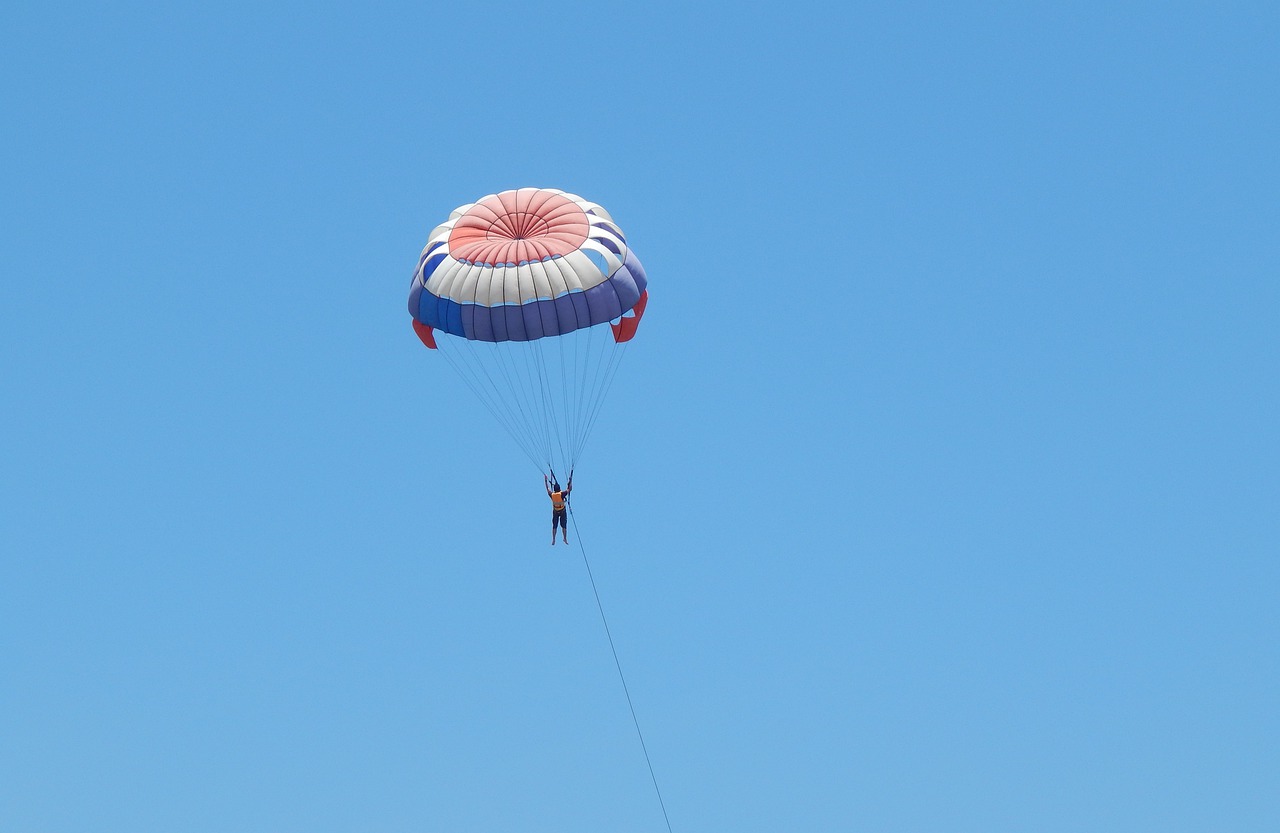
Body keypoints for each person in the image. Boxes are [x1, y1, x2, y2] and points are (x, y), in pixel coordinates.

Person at [545, 473, 572, 545]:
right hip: (562, 511)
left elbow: (547, 489)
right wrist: (570, 481)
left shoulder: (552, 495)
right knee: (564, 526)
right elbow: (569, 489)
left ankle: (553, 539)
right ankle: (565, 538)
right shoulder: (562, 494)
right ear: (559, 489)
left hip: (556, 512)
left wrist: (545, 481)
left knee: (554, 526)